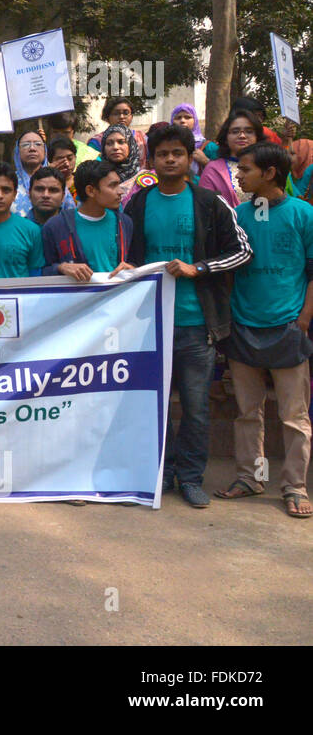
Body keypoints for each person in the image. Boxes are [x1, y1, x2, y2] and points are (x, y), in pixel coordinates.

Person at [125, 123, 253, 508]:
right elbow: (126, 256)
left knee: (196, 407)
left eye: (176, 153)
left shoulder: (210, 202)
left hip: (197, 324)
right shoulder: (138, 203)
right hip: (148, 324)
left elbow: (243, 252)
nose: (169, 159)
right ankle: (162, 474)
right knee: (155, 405)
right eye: (162, 153)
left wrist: (200, 268)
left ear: (188, 159)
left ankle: (191, 478)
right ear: (153, 160)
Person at [213, 142, 313, 518]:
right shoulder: (238, 214)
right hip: (244, 326)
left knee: (293, 417)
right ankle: (252, 477)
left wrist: (303, 320)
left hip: (288, 327)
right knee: (247, 412)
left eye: (246, 169)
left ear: (270, 174)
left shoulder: (303, 214)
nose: (238, 175)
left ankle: (295, 486)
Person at [41, 160, 133, 280]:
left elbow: (135, 262)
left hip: (118, 296)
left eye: (119, 185)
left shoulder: (125, 223)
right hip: (78, 297)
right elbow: (42, 271)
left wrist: (131, 269)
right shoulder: (56, 226)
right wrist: (61, 267)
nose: (120, 191)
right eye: (112, 185)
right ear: (90, 191)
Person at [199, 108, 262, 209]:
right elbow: (204, 208)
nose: (242, 136)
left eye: (249, 131)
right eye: (235, 131)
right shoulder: (213, 169)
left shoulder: (267, 166)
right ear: (226, 138)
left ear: (257, 137)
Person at [100, 124, 155, 204]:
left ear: (131, 145)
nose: (115, 147)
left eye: (121, 142)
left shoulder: (146, 177)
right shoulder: (98, 178)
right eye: (109, 143)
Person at [87, 96, 147, 160]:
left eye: (126, 113)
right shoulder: (96, 142)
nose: (121, 117)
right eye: (116, 113)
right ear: (107, 117)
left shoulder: (142, 138)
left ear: (131, 116)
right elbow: (92, 166)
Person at [10, 130, 48, 218]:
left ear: (45, 151)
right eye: (26, 145)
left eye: (38, 144)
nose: (32, 149)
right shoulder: (9, 181)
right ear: (17, 151)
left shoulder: (55, 180)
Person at [169, 103, 211, 172]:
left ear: (195, 121)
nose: (182, 121)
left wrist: (206, 161)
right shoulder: (166, 145)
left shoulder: (208, 147)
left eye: (187, 117)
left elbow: (223, 172)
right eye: (178, 118)